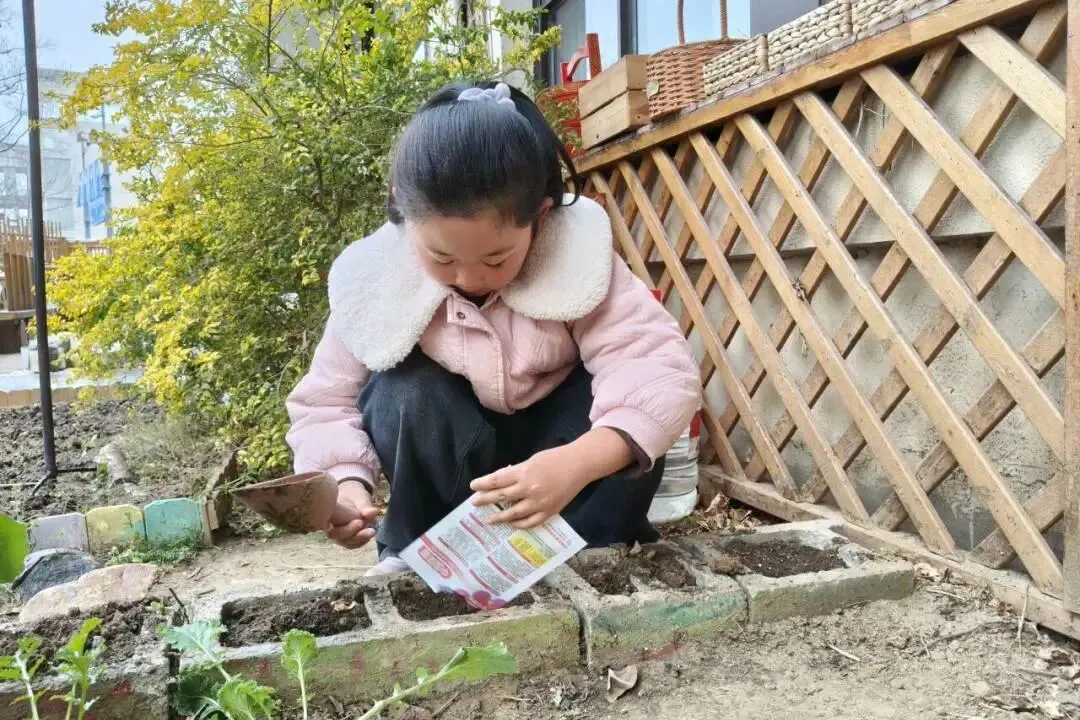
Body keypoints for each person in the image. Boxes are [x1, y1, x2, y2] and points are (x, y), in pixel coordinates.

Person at [286, 81, 701, 575]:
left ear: (539, 219)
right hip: (458, 478)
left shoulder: (573, 256)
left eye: (495, 258)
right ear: (403, 211)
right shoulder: (378, 277)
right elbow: (324, 402)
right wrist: (345, 486)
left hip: (564, 465)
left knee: (628, 420)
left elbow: (656, 368)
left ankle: (593, 556)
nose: (468, 278)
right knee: (401, 389)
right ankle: (420, 556)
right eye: (441, 257)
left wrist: (580, 462)